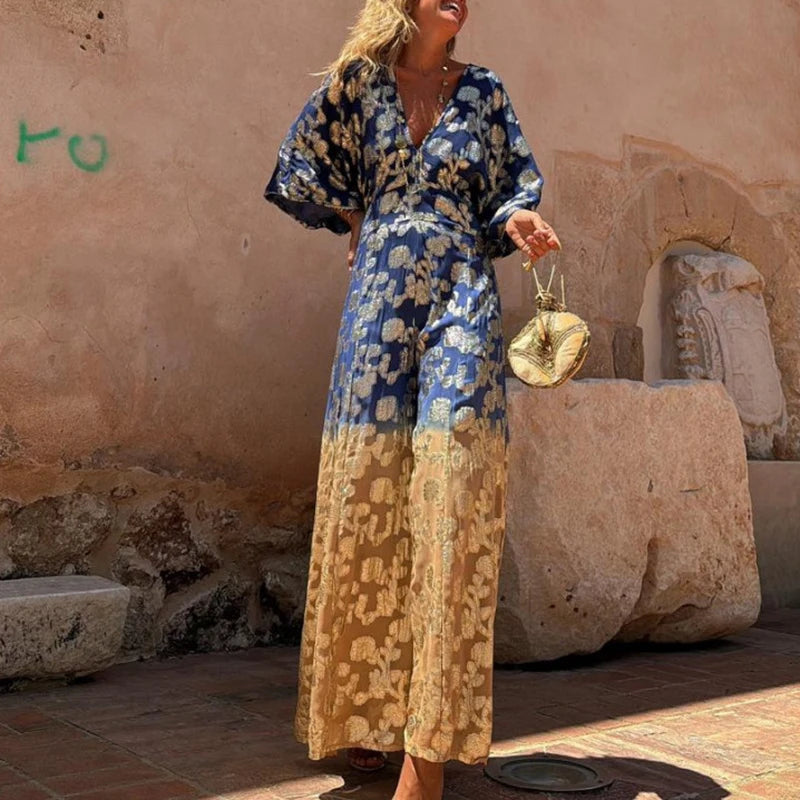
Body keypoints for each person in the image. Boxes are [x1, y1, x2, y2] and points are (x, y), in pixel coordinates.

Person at [264, 1, 560, 798]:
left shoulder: (486, 91)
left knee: (454, 495)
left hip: (465, 295)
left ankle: (427, 751)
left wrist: (520, 217)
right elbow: (301, 165)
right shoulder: (358, 85)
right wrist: (362, 215)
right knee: (374, 496)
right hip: (379, 308)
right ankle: (369, 713)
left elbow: (507, 191)